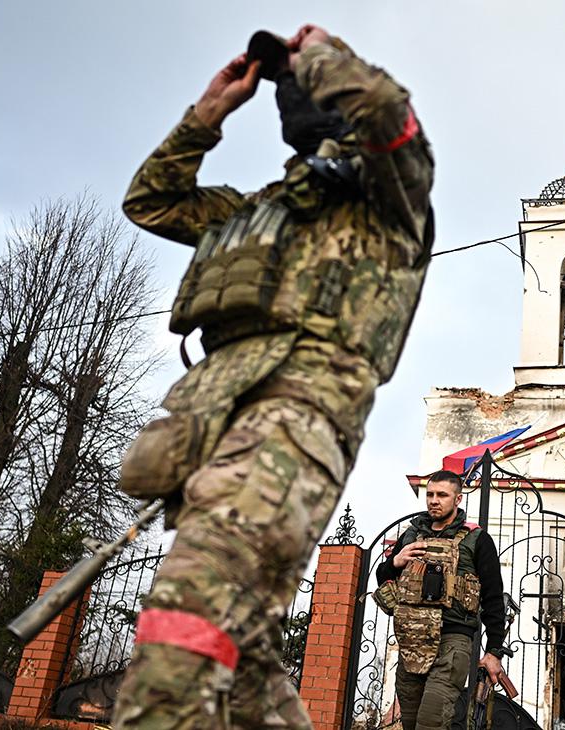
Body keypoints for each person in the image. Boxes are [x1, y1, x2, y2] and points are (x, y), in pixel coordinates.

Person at [110, 24, 434, 730]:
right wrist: (208, 113)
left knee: (188, 612)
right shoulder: (257, 208)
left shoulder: (391, 198)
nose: (296, 89)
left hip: (299, 418)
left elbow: (382, 109)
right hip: (211, 427)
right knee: (243, 659)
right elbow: (151, 203)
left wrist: (320, 57)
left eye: (303, 82)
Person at [375, 471, 507, 730]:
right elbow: (381, 576)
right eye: (430, 494)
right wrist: (395, 561)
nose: (434, 501)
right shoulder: (412, 535)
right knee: (411, 723)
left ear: (457, 498)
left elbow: (493, 597)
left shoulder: (477, 539)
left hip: (452, 640)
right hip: (412, 640)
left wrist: (494, 651)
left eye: (442, 495)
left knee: (432, 721)